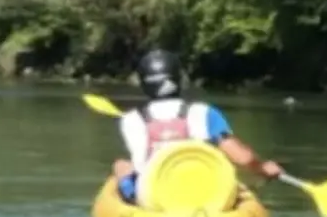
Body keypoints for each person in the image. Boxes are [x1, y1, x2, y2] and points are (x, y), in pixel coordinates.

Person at [112, 49, 284, 205]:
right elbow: (243, 158)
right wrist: (263, 168)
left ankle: (131, 199)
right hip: (206, 196)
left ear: (144, 84)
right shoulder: (205, 112)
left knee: (121, 165)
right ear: (179, 79)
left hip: (154, 198)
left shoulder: (130, 120)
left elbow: (140, 162)